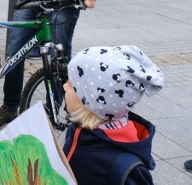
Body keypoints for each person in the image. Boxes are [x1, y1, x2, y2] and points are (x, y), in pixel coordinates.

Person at [63, 45, 164, 184]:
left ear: (90, 102)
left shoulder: (127, 170)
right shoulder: (77, 129)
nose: (64, 86)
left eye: (70, 84)